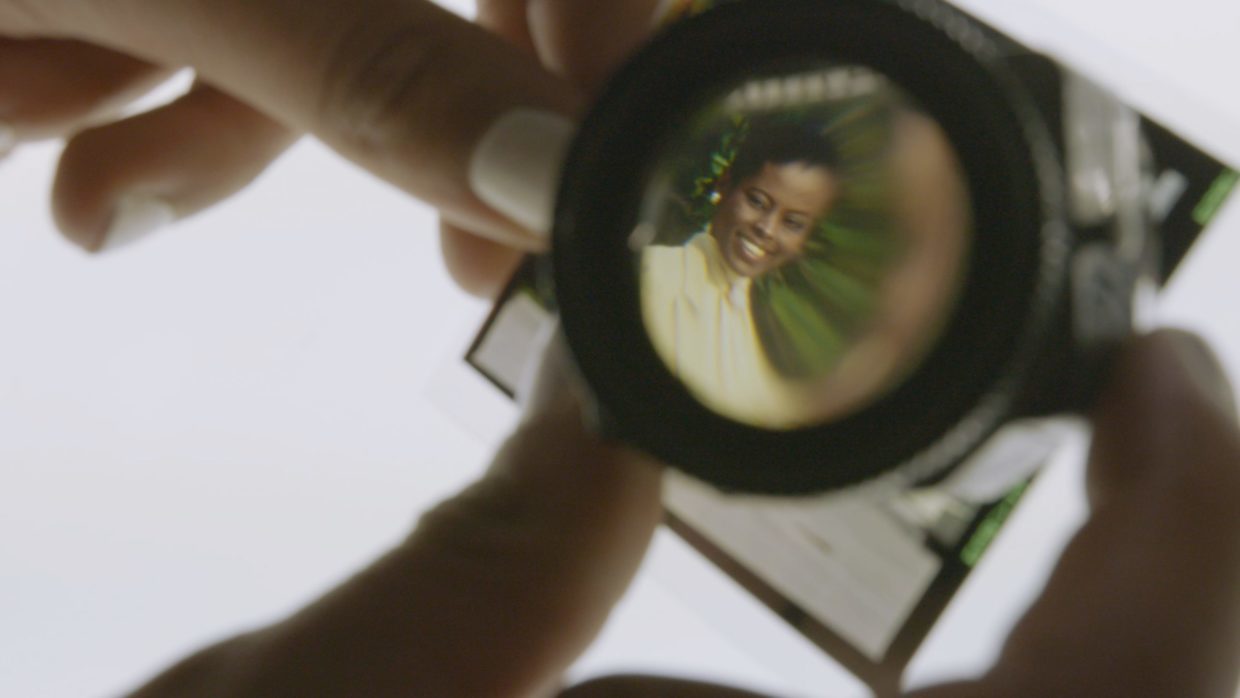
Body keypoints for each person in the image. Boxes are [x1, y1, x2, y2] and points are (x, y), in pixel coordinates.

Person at [0, 1, 1237, 697]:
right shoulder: (667, 293)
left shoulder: (767, 359)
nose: (760, 223)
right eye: (756, 198)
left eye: (794, 224)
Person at [641, 120, 842, 427]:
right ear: (725, 185)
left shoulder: (755, 343)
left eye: (793, 223)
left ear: (805, 239)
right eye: (758, 201)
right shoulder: (652, 275)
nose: (767, 228)